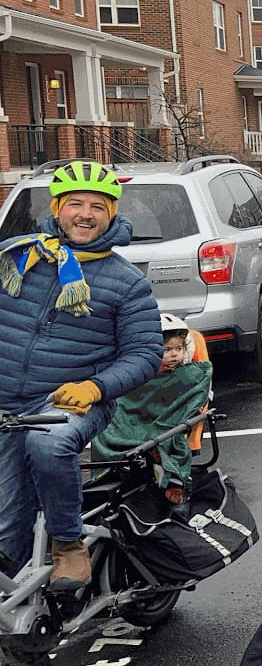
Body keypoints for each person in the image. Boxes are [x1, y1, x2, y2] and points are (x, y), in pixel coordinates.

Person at [0, 161, 163, 589]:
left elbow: (145, 354)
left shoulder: (126, 282)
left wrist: (95, 387)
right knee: (6, 531)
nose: (85, 214)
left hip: (67, 400)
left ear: (111, 214)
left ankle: (69, 545)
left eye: (97, 206)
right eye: (75, 204)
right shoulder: (17, 259)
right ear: (57, 209)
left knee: (48, 444)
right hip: (4, 402)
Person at [91, 312, 213, 511]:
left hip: (167, 424)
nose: (174, 354)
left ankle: (169, 474)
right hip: (137, 422)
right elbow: (128, 401)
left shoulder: (189, 375)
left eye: (179, 349)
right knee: (107, 423)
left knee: (168, 436)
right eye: (166, 350)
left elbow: (191, 401)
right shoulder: (139, 375)